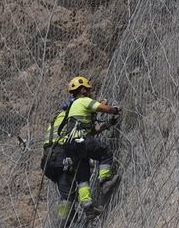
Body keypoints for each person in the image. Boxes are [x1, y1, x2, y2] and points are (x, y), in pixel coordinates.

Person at [41, 76, 122, 218]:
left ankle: (87, 208)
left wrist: (108, 124)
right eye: (88, 90)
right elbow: (104, 109)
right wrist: (115, 110)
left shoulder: (70, 112)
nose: (90, 92)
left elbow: (92, 131)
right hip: (78, 141)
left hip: (68, 147)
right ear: (83, 90)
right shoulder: (83, 101)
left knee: (82, 176)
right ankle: (104, 182)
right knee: (105, 153)